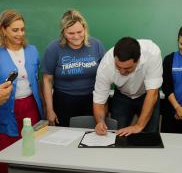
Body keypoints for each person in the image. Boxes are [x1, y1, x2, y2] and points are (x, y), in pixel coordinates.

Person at [42, 9, 105, 127]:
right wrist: (50, 110)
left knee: (91, 136)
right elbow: (47, 80)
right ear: (63, 32)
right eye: (71, 33)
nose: (76, 36)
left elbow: (105, 76)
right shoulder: (53, 48)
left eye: (79, 31)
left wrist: (103, 104)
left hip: (92, 100)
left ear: (85, 29)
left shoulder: (96, 45)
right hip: (63, 101)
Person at [0, 9, 44, 173]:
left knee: (31, 150)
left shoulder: (32, 50)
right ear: (3, 30)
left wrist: (45, 108)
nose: (20, 34)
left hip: (31, 107)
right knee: (8, 151)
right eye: (15, 30)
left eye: (22, 29)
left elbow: (37, 80)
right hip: (6, 110)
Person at [93, 36, 163, 136]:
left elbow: (152, 94)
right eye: (118, 67)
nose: (122, 71)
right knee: (118, 134)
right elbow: (99, 100)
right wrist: (100, 122)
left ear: (138, 60)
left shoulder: (152, 53)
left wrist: (138, 126)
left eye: (127, 68)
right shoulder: (106, 65)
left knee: (150, 134)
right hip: (122, 96)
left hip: (147, 95)